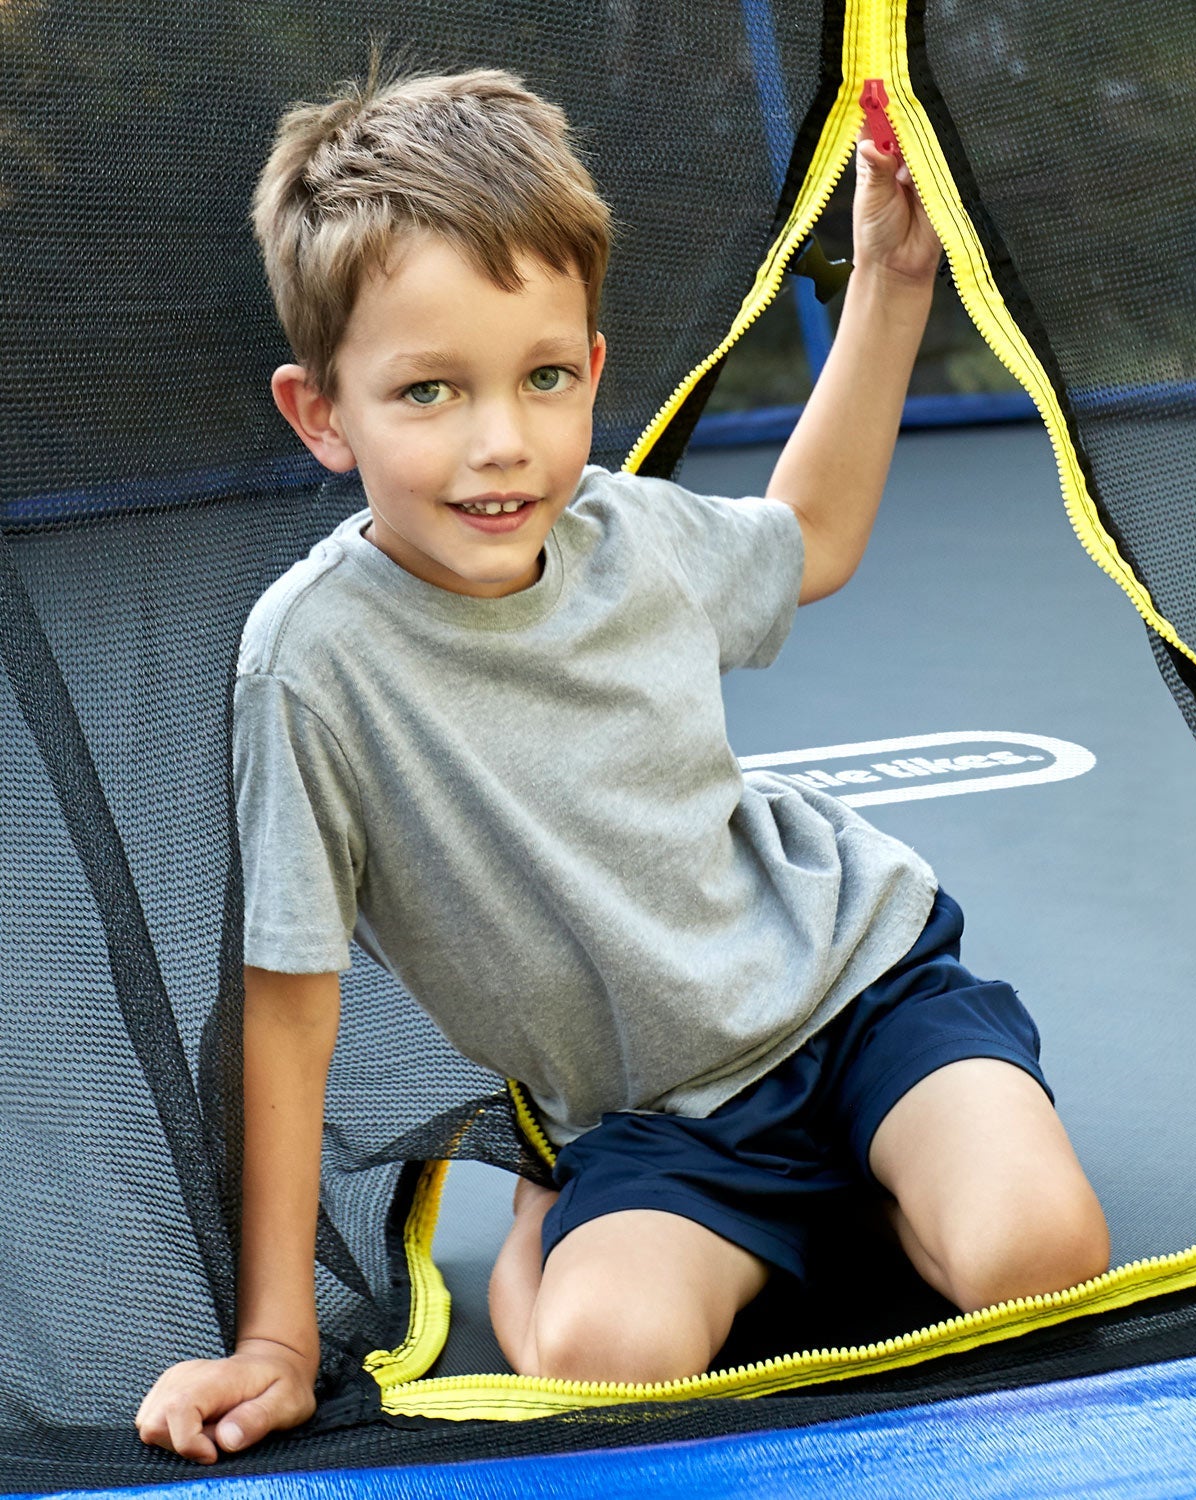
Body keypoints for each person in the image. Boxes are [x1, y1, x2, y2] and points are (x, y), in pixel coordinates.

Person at [135, 62, 1109, 1465]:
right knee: (607, 1364)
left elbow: (813, 542)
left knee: (1039, 1257)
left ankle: (890, 1171)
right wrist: (278, 1341)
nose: (501, 443)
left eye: (542, 378)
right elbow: (289, 1011)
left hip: (856, 997)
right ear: (323, 415)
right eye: (428, 391)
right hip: (655, 1119)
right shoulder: (310, 664)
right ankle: (567, 1220)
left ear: (592, 370)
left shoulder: (626, 538)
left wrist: (895, 284)